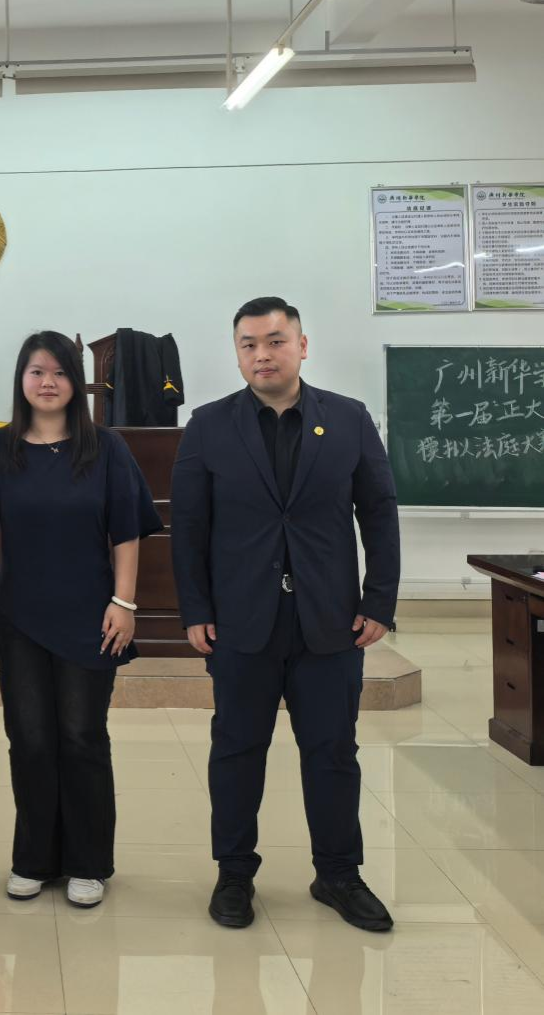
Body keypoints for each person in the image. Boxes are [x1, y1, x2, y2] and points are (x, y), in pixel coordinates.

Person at [170, 296, 400, 933]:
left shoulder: (348, 419)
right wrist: (195, 608)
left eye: (275, 341)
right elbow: (188, 526)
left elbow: (379, 512)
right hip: (241, 621)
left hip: (330, 620)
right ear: (237, 353)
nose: (262, 354)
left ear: (302, 345)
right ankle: (234, 873)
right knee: (237, 750)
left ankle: (339, 874)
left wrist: (379, 600)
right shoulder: (209, 425)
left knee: (332, 750)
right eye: (248, 344)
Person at [0, 331, 161, 908]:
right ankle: (34, 858)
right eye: (36, 371)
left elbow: (126, 531)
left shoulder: (105, 448)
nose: (47, 382)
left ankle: (87, 862)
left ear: (76, 382)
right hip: (20, 615)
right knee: (28, 738)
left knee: (81, 736)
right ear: (21, 380)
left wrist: (124, 603)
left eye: (59, 372)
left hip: (90, 614)